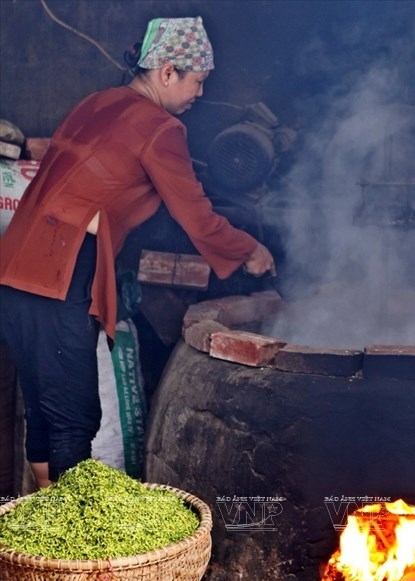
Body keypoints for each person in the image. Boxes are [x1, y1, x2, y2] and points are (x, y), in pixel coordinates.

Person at [0, 16, 275, 489]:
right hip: (61, 268)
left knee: (46, 415)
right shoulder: (160, 128)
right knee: (74, 419)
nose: (200, 93)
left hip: (14, 270)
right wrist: (251, 251)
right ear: (167, 71)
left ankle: (47, 544)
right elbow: (197, 217)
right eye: (198, 81)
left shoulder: (97, 102)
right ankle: (69, 548)